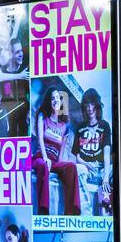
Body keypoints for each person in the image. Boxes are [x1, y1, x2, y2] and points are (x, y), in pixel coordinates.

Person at [33, 86, 81, 216]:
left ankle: (72, 212)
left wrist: (61, 169)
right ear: (48, 101)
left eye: (58, 98)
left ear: (61, 102)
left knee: (71, 166)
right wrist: (45, 158)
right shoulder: (43, 116)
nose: (55, 101)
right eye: (52, 98)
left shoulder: (64, 126)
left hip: (54, 161)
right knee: (43, 166)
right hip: (40, 158)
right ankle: (43, 212)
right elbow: (40, 140)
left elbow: (61, 152)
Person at [73, 89, 113, 216]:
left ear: (96, 105)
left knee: (116, 170)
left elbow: (107, 154)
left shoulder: (104, 126)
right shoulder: (80, 127)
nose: (89, 108)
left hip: (102, 169)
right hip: (86, 168)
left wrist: (106, 177)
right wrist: (86, 164)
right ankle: (86, 215)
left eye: (92, 105)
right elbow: (77, 157)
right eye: (87, 105)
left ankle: (108, 215)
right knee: (78, 169)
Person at [0, 34, 30, 138]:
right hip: (9, 131)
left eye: (21, 51)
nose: (21, 54)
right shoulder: (4, 77)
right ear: (10, 55)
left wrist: (29, 111)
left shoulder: (26, 72)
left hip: (24, 129)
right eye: (17, 52)